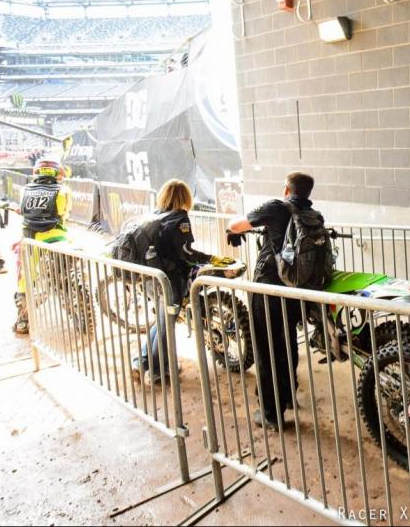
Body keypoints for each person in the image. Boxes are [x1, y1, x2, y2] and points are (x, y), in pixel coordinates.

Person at [226, 171, 318, 429]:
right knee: (287, 342)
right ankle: (287, 396)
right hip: (294, 289)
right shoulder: (311, 215)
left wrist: (229, 230)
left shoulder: (277, 207)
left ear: (287, 189)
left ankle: (269, 413)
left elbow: (236, 225)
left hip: (268, 288)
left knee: (266, 349)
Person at [129, 179, 225, 385]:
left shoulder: (156, 216)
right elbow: (186, 253)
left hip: (150, 277)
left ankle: (141, 361)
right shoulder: (180, 219)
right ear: (185, 198)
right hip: (168, 279)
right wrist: (211, 259)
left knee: (163, 320)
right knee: (166, 325)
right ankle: (159, 371)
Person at [14, 156, 72, 334]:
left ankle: (23, 319)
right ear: (58, 173)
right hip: (58, 236)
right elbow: (65, 213)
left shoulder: (25, 190)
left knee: (24, 277)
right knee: (70, 267)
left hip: (32, 239)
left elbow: (23, 211)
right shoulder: (63, 191)